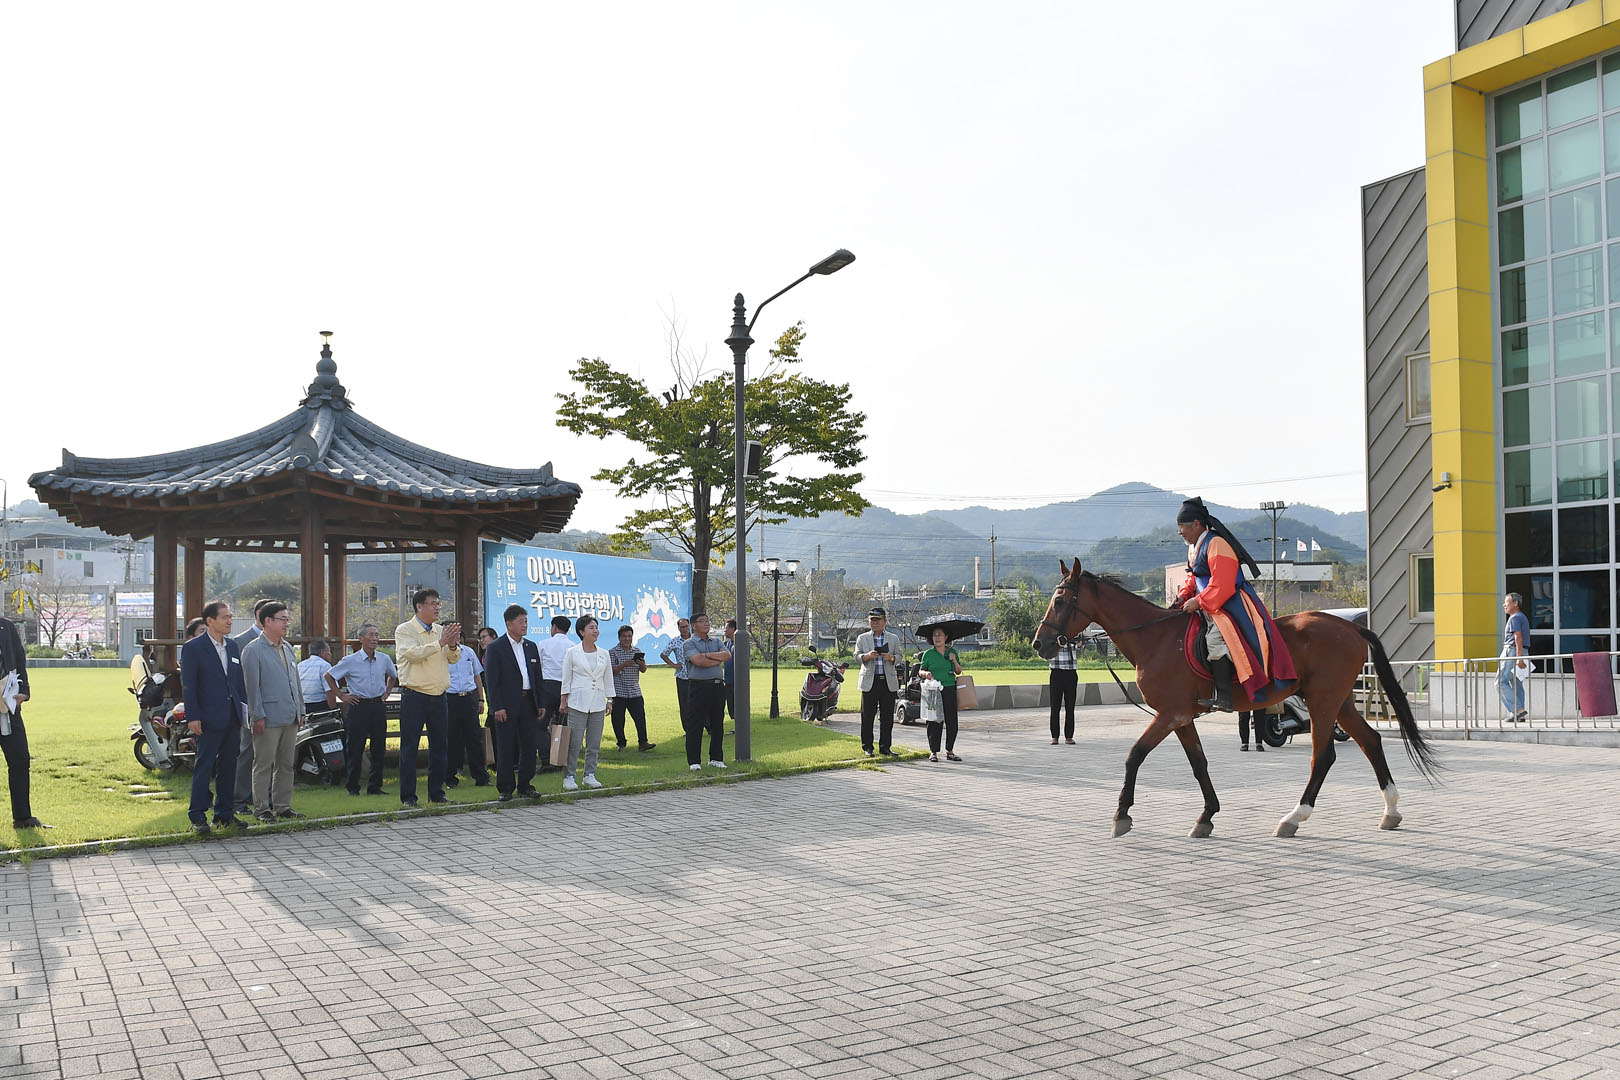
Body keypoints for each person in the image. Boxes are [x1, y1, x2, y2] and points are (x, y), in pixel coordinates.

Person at [1173, 497, 1296, 712]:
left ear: (1196, 524)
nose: (1180, 532)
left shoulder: (1217, 544)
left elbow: (1223, 583)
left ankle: (1225, 696)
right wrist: (1184, 596)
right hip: (1208, 602)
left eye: (1182, 526)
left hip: (1229, 603)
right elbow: (1194, 578)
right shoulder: (1193, 548)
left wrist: (1198, 601)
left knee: (1215, 639)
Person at [179, 601, 249, 835]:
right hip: (207, 718)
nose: (230, 621)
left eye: (230, 616)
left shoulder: (232, 646)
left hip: (232, 717)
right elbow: (189, 685)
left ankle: (224, 815)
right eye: (225, 617)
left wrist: (243, 710)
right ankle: (198, 816)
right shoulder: (193, 648)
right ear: (210, 621)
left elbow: (237, 683)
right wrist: (193, 716)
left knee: (229, 767)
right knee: (204, 766)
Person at [393, 588, 461, 806]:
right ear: (419, 606)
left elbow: (453, 658)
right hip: (415, 696)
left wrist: (452, 644)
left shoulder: (440, 630)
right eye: (433, 603)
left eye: (438, 604)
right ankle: (408, 797)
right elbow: (413, 654)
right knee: (409, 748)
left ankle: (437, 794)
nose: (437, 607)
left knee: (440, 747)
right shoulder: (405, 630)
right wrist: (441, 643)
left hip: (439, 696)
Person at [241, 602, 306, 823]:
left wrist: (301, 709)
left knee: (286, 764)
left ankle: (283, 806)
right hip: (267, 718)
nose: (287, 623)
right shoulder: (253, 650)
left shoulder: (288, 648)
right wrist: (257, 715)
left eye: (288, 619)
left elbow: (295, 682)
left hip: (290, 715)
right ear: (267, 621)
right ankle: (261, 809)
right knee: (263, 764)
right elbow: (252, 687)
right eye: (282, 619)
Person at [325, 623, 398, 796]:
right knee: (355, 748)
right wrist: (341, 695)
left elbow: (393, 676)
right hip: (359, 706)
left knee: (379, 747)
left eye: (377, 635)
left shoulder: (384, 659)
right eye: (371, 635)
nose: (375, 639)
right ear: (361, 638)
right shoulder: (350, 660)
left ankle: (375, 786)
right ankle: (353, 786)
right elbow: (329, 676)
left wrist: (387, 692)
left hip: (377, 705)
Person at [483, 605, 546, 800]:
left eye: (526, 621)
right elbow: (492, 681)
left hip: (529, 702)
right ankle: (505, 788)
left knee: (529, 746)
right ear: (509, 624)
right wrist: (497, 707)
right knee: (506, 747)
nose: (525, 625)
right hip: (507, 704)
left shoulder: (531, 646)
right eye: (521, 622)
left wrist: (541, 703)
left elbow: (537, 677)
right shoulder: (496, 647)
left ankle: (525, 785)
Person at [230, 598, 274, 816]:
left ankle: (265, 797)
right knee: (246, 752)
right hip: (249, 706)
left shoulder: (278, 642)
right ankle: (239, 798)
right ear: (260, 616)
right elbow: (236, 677)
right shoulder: (240, 642)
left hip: (273, 706)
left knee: (269, 754)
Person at [559, 615, 613, 790]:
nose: (595, 631)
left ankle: (589, 775)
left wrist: (610, 699)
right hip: (577, 702)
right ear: (582, 632)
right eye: (591, 628)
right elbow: (566, 678)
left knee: (594, 742)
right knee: (574, 743)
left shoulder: (604, 654)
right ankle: (569, 776)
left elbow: (608, 678)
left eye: (596, 627)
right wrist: (563, 699)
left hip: (597, 702)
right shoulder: (572, 652)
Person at [0, 611, 41, 830]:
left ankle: (23, 818)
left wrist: (23, 690)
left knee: (20, 759)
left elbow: (19, 659)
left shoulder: (6, 627)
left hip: (8, 706)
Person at [681, 614, 729, 771]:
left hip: (717, 687)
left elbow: (727, 655)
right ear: (694, 626)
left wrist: (707, 655)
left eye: (707, 621)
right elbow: (698, 661)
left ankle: (716, 758)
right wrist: (716, 659)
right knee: (695, 724)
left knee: (717, 724)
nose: (706, 624)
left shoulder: (716, 641)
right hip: (699, 687)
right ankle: (694, 761)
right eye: (702, 621)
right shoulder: (689, 643)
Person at [445, 632, 490, 788]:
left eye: (458, 634)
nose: (456, 637)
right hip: (450, 698)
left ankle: (481, 777)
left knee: (474, 738)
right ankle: (450, 778)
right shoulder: (440, 654)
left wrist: (481, 699)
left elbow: (477, 676)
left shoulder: (469, 652)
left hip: (469, 698)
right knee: (451, 738)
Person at [855, 607, 901, 757]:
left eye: (878, 620)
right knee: (867, 716)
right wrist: (867, 656)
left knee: (887, 717)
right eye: (872, 620)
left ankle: (885, 747)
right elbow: (856, 656)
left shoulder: (893, 638)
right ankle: (867, 747)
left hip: (887, 681)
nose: (874, 622)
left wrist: (891, 658)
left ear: (884, 621)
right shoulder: (862, 638)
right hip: (870, 681)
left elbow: (899, 656)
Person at [917, 627, 964, 763]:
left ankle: (950, 750)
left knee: (952, 720)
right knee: (933, 721)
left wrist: (954, 661)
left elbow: (958, 671)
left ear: (946, 637)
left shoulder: (952, 652)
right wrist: (926, 673)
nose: (937, 638)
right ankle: (933, 752)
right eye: (934, 635)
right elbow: (921, 671)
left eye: (940, 635)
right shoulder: (928, 654)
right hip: (934, 690)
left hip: (949, 688)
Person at [608, 625, 654, 751]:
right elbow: (611, 671)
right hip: (619, 691)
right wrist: (623, 665)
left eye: (629, 636)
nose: (627, 639)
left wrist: (643, 665)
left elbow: (643, 670)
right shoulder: (612, 652)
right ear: (619, 638)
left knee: (640, 718)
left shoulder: (637, 651)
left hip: (634, 691)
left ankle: (643, 742)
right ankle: (621, 743)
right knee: (618, 720)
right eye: (624, 636)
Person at [537, 615, 572, 769]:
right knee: (563, 725)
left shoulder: (543, 644)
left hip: (547, 686)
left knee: (540, 726)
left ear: (554, 627)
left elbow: (538, 667)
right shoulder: (572, 646)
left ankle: (546, 759)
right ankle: (561, 759)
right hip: (566, 687)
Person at [1500, 592, 1530, 723]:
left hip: (1512, 651)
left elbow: (1518, 637)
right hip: (1520, 651)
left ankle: (1518, 709)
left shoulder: (1515, 618)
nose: (1504, 605)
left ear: (1515, 603)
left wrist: (1519, 658)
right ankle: (1520, 714)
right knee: (1517, 683)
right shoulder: (1521, 617)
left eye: (1506, 603)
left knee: (1500, 682)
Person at [661, 618, 693, 727]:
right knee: (684, 705)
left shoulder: (696, 639)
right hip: (682, 677)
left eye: (686, 626)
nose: (684, 629)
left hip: (697, 676)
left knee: (700, 703)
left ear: (689, 626)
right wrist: (673, 665)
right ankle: (687, 729)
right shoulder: (675, 641)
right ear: (678, 628)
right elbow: (664, 654)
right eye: (682, 627)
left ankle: (707, 727)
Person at [1048, 638, 1079, 745]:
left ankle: (1069, 736)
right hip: (1056, 671)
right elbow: (1046, 651)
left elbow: (1080, 647)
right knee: (1054, 706)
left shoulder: (1073, 636)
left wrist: (1080, 644)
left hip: (1071, 672)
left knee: (1070, 707)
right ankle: (1054, 736)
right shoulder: (1052, 636)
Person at [298, 639, 334, 715]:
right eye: (329, 651)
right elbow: (330, 691)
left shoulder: (300, 665)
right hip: (319, 706)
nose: (330, 654)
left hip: (301, 706)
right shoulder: (325, 665)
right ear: (322, 652)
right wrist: (333, 710)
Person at [722, 619, 737, 720]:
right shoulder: (726, 643)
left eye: (726, 627)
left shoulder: (740, 643)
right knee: (731, 706)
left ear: (733, 629)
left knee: (738, 706)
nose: (725, 630)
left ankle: (740, 726)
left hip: (737, 682)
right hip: (728, 681)